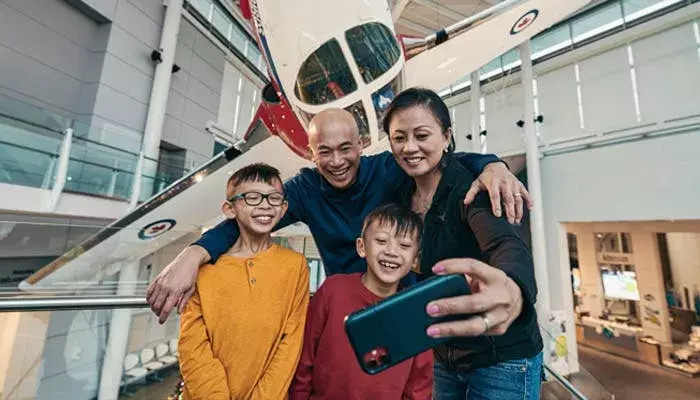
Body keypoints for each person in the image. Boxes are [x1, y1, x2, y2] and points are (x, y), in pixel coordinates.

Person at [148, 109, 533, 324]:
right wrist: (193, 253)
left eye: (345, 148)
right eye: (324, 152)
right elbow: (246, 219)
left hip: (409, 305)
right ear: (309, 153)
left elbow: (442, 161)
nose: (336, 162)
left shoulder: (388, 169)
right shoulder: (302, 190)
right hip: (349, 307)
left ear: (362, 144)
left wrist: (492, 165)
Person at [384, 87, 543, 399]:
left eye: (422, 135)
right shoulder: (399, 195)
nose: (410, 147)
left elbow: (506, 245)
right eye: (399, 137)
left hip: (502, 357)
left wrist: (513, 287)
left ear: (446, 137)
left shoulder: (473, 190)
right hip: (445, 355)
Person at [178, 163, 309, 400]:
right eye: (252, 198)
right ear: (229, 209)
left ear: (284, 208)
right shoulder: (204, 269)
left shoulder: (296, 266)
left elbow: (290, 342)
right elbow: (192, 346)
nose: (265, 205)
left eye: (274, 198)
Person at [289, 204, 432, 400]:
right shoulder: (333, 290)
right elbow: (305, 359)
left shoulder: (416, 313)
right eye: (381, 241)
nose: (391, 251)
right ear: (362, 247)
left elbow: (419, 386)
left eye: (404, 245)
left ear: (416, 260)